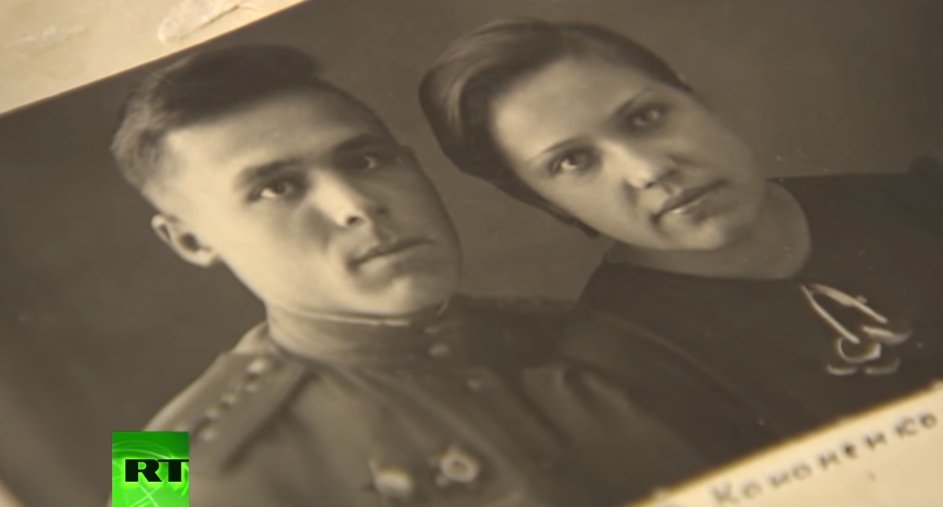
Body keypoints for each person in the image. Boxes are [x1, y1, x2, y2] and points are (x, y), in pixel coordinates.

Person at [108, 44, 720, 507]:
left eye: (366, 160)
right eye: (277, 188)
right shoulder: (155, 468)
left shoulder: (594, 332)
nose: (356, 205)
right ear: (190, 240)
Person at [419, 17, 943, 463]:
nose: (649, 170)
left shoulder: (919, 200)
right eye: (574, 161)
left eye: (646, 118)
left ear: (701, 103)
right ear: (548, 203)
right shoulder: (622, 373)